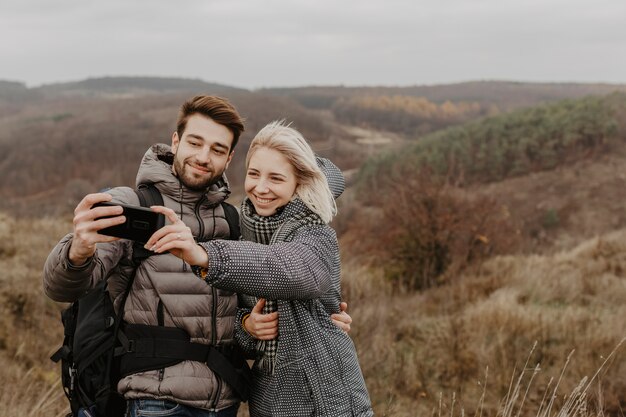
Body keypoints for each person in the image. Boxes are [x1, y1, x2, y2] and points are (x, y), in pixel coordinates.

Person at [43, 96, 351, 417]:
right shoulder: (135, 205)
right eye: (195, 142)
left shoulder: (233, 220)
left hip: (225, 401)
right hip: (156, 400)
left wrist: (314, 321)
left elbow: (257, 304)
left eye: (217, 149)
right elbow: (60, 288)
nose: (203, 157)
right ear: (175, 141)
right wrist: (78, 250)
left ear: (229, 158)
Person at [146, 121, 373, 417]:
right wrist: (247, 327)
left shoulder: (315, 233)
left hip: (330, 397)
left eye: (276, 178)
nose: (261, 188)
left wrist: (205, 255)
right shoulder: (242, 234)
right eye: (254, 174)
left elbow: (294, 271)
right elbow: (233, 323)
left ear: (299, 183)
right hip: (272, 400)